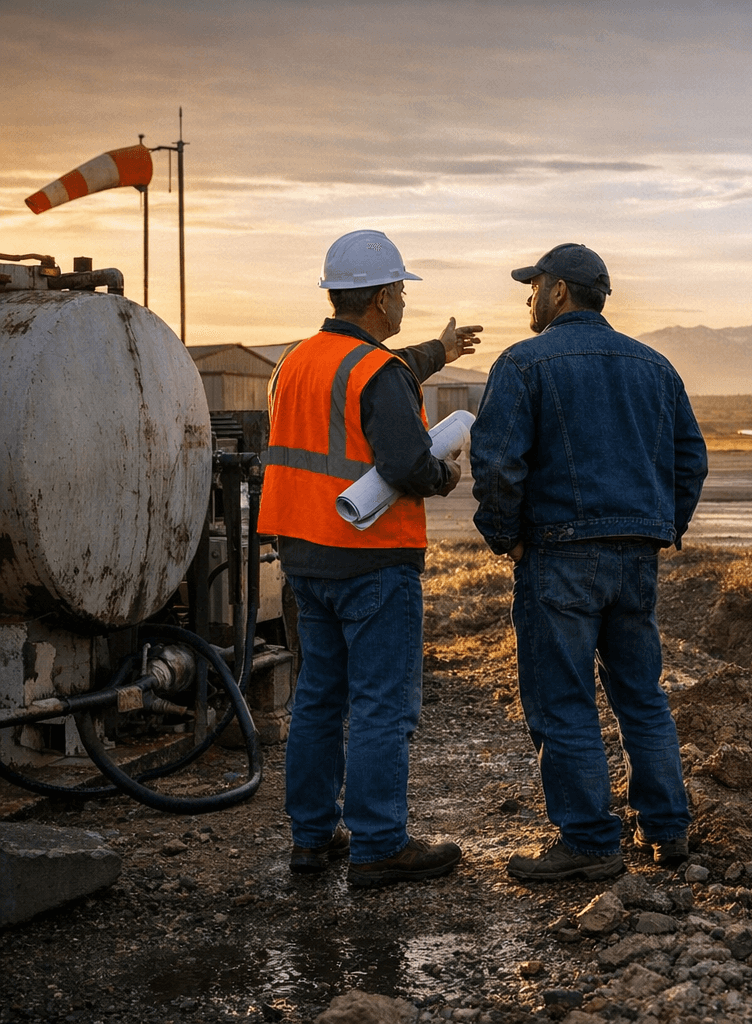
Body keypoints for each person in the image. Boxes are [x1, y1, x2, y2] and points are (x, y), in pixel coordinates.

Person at [471, 243, 708, 882]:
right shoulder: (656, 367)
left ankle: (588, 842)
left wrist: (506, 538)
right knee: (641, 695)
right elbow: (692, 461)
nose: (527, 297)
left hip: (559, 557)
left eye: (534, 285)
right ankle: (668, 830)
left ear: (558, 292)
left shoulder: (524, 364)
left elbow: (496, 465)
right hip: (635, 558)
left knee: (563, 699)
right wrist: (660, 530)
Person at [261, 229, 482, 887]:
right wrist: (444, 475)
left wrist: (439, 351)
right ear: (385, 296)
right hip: (371, 561)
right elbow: (407, 462)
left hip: (303, 559)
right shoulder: (376, 372)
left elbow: (374, 378)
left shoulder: (295, 362)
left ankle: (311, 838)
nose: (403, 305)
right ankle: (380, 844)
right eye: (401, 293)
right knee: (382, 705)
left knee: (318, 700)